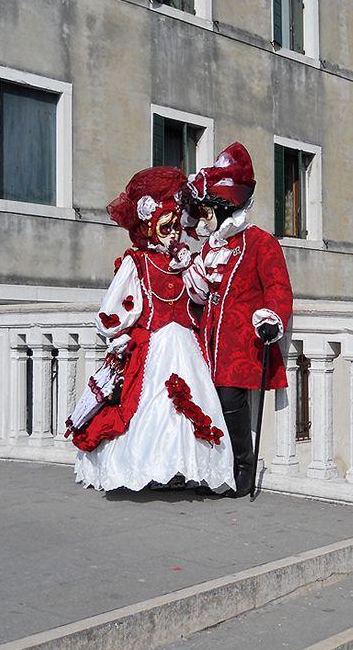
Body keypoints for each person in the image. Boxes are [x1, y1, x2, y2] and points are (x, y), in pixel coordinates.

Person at [68, 166, 235, 494]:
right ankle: (155, 469)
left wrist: (187, 262)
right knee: (152, 407)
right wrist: (121, 335)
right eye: (166, 227)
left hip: (186, 345)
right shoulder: (138, 262)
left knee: (189, 409)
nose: (173, 234)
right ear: (150, 227)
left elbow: (202, 293)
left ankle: (186, 469)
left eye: (176, 227)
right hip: (154, 349)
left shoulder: (186, 261)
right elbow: (111, 310)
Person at [181, 143, 293, 497]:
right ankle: (209, 468)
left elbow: (278, 287)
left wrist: (272, 316)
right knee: (204, 402)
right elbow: (200, 294)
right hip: (208, 340)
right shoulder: (211, 247)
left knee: (230, 401)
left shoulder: (261, 243)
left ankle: (243, 466)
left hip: (239, 343)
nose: (206, 218)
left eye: (210, 210)